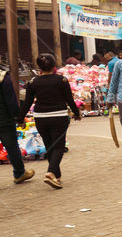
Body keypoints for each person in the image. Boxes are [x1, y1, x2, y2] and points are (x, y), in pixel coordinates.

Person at [19, 54, 82, 189]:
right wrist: (76, 113)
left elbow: (27, 103)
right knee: (59, 147)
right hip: (58, 116)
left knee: (50, 147)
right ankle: (51, 172)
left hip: (41, 118)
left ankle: (57, 177)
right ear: (54, 67)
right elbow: (69, 99)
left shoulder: (32, 82)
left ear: (39, 67)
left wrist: (20, 118)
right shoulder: (62, 80)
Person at [1, 65, 35, 185]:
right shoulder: (3, 77)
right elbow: (11, 100)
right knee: (11, 146)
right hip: (3, 119)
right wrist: (18, 116)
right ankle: (19, 173)